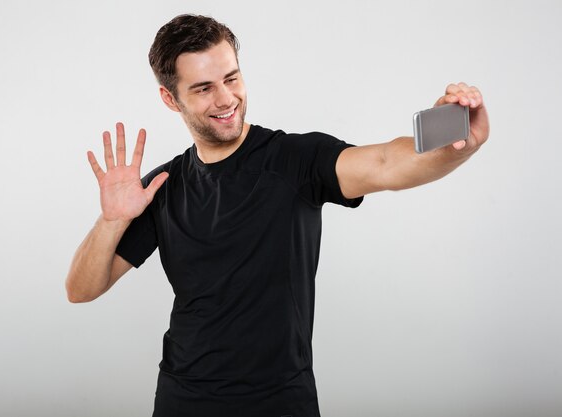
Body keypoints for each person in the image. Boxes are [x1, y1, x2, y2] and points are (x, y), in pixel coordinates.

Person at [65, 14, 489, 417]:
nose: (226, 98)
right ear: (170, 98)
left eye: (232, 78)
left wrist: (456, 142)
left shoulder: (296, 160)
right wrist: (112, 220)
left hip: (281, 400)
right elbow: (81, 289)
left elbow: (385, 164)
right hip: (183, 397)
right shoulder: (162, 187)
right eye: (203, 88)